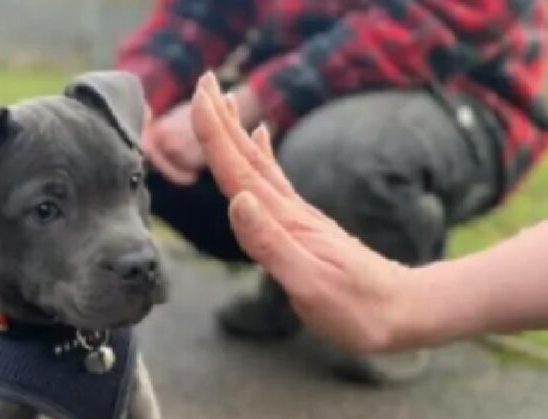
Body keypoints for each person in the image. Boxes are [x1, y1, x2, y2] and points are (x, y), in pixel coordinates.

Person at [116, 0, 548, 382]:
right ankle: (296, 286)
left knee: (336, 158)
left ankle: (398, 290)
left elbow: (432, 21)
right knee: (130, 152)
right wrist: (131, 109)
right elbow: (199, 15)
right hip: (306, 86)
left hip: (459, 90)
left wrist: (249, 103)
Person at [190, 71, 548, 355]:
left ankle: (405, 261)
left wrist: (410, 303)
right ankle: (296, 289)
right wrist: (144, 106)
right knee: (165, 143)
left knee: (336, 155)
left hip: (468, 94)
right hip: (320, 81)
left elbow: (417, 27)